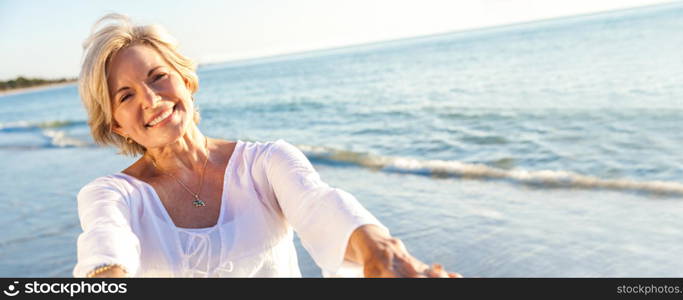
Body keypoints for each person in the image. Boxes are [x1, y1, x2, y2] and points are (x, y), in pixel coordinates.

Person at [73, 13, 461, 278]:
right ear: (116, 125)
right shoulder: (112, 195)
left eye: (158, 76)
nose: (151, 99)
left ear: (186, 80)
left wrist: (380, 252)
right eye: (125, 96)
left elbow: (321, 206)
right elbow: (106, 249)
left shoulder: (266, 163)